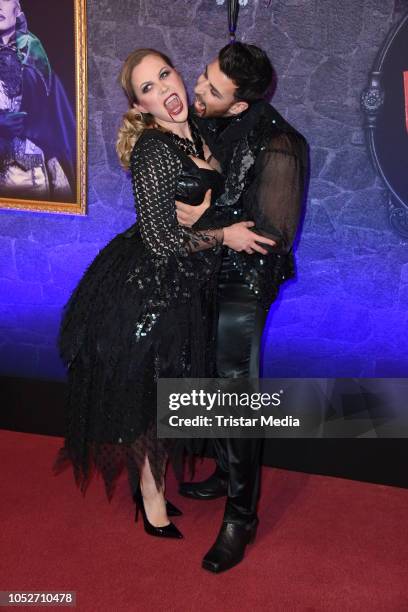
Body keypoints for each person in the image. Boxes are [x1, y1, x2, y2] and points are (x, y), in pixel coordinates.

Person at [53, 47, 276, 540]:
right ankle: (150, 496)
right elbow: (160, 241)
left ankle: (151, 485)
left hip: (186, 289)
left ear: (179, 75)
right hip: (150, 292)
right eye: (147, 88)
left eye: (164, 75)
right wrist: (224, 234)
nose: (163, 90)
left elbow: (206, 203)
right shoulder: (155, 148)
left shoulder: (197, 130)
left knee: (165, 396)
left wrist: (212, 218)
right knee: (150, 400)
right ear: (139, 107)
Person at [176, 42, 309, 571]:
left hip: (245, 284)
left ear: (239, 105)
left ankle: (241, 516)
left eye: (210, 88)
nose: (197, 88)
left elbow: (270, 238)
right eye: (203, 75)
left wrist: (209, 222)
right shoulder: (208, 125)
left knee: (236, 393)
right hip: (207, 271)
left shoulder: (281, 144)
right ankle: (227, 471)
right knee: (209, 378)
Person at [0, 0, 75, 201]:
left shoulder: (36, 59)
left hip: (34, 175)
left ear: (18, 11)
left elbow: (56, 123)